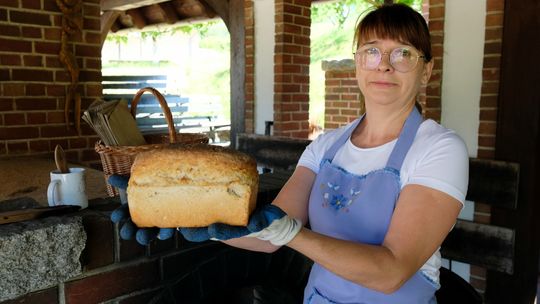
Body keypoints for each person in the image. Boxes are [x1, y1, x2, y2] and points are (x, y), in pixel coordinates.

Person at [112, 3, 469, 303]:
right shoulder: (327, 146)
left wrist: (292, 235)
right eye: (371, 51)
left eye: (403, 53)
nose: (384, 64)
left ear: (426, 71)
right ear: (358, 63)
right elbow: (269, 233)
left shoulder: (438, 149)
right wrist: (181, 218)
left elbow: (392, 271)